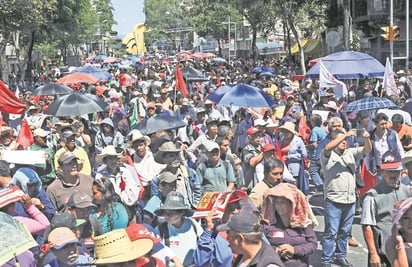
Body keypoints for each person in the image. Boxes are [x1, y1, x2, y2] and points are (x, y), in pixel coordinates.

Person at [320, 128, 372, 267]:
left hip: (350, 199)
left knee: (344, 231)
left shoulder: (350, 152)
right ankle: (326, 260)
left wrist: (367, 139)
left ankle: (341, 255)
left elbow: (367, 150)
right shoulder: (328, 155)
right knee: (331, 232)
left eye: (345, 141)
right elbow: (327, 147)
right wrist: (345, 135)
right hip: (334, 199)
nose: (344, 142)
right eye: (341, 141)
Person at [361, 151, 412, 267]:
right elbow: (367, 226)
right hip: (382, 252)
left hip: (403, 249)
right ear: (382, 171)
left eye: (395, 171)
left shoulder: (407, 191)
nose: (392, 174)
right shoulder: (372, 196)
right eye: (388, 171)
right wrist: (373, 253)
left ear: (401, 170)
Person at [261, 183, 317, 266]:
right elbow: (258, 244)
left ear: (292, 204)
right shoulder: (268, 222)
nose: (279, 206)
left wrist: (294, 250)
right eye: (277, 202)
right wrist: (275, 250)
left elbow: (312, 244)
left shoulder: (303, 222)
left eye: (282, 202)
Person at [216, 209, 285, 267]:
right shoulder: (244, 255)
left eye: (229, 236)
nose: (228, 242)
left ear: (240, 239)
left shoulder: (269, 264)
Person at [154, 191, 203, 266]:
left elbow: (204, 246)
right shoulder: (159, 230)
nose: (167, 216)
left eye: (172, 213)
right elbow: (157, 253)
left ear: (182, 212)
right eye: (165, 213)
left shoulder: (193, 225)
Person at [152, 141, 202, 209]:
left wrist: (195, 206)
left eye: (176, 155)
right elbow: (156, 199)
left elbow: (197, 191)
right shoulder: (157, 179)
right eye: (171, 156)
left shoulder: (189, 172)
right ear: (164, 159)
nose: (175, 158)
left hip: (188, 208)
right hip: (170, 212)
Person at [95, 145, 141, 218]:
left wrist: (119, 197)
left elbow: (133, 193)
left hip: (128, 207)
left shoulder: (126, 172)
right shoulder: (100, 176)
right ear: (105, 161)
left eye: (114, 158)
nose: (113, 161)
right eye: (110, 158)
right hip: (109, 210)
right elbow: (101, 196)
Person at [385, 197, 412, 267]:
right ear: (399, 220)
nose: (411, 222)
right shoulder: (392, 241)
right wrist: (399, 242)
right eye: (406, 218)